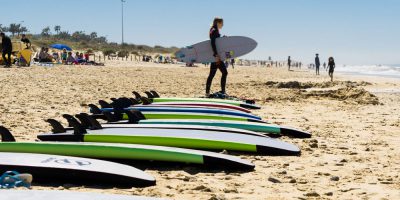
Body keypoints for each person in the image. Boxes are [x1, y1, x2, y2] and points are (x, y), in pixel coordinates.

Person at [205, 17, 228, 97]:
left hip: (215, 56)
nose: (223, 25)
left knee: (212, 74)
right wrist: (216, 55)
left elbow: (216, 42)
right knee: (224, 73)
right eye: (222, 23)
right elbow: (213, 43)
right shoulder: (214, 30)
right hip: (216, 56)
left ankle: (207, 93)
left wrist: (222, 39)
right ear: (218, 22)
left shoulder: (213, 29)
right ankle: (222, 91)